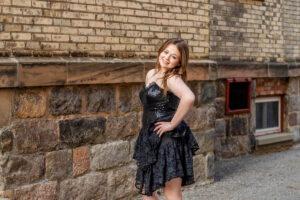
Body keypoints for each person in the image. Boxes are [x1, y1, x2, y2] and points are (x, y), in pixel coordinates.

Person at [133, 38, 199, 200]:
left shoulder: (172, 78)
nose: (167, 57)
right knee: (146, 190)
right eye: (166, 52)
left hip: (168, 140)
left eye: (173, 56)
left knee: (171, 191)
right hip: (150, 137)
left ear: (179, 63)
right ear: (160, 51)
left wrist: (172, 124)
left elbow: (189, 97)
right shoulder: (151, 74)